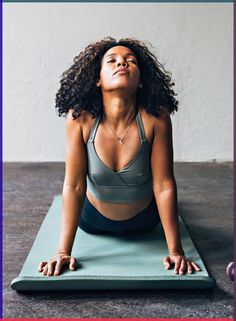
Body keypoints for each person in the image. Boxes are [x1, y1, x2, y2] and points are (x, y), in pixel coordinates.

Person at [38, 36, 201, 277]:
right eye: (112, 61)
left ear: (141, 80)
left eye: (130, 61)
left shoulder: (155, 118)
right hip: (92, 220)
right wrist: (63, 252)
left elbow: (164, 184)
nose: (121, 64)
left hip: (145, 221)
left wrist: (176, 251)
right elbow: (74, 185)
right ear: (97, 79)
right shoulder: (79, 118)